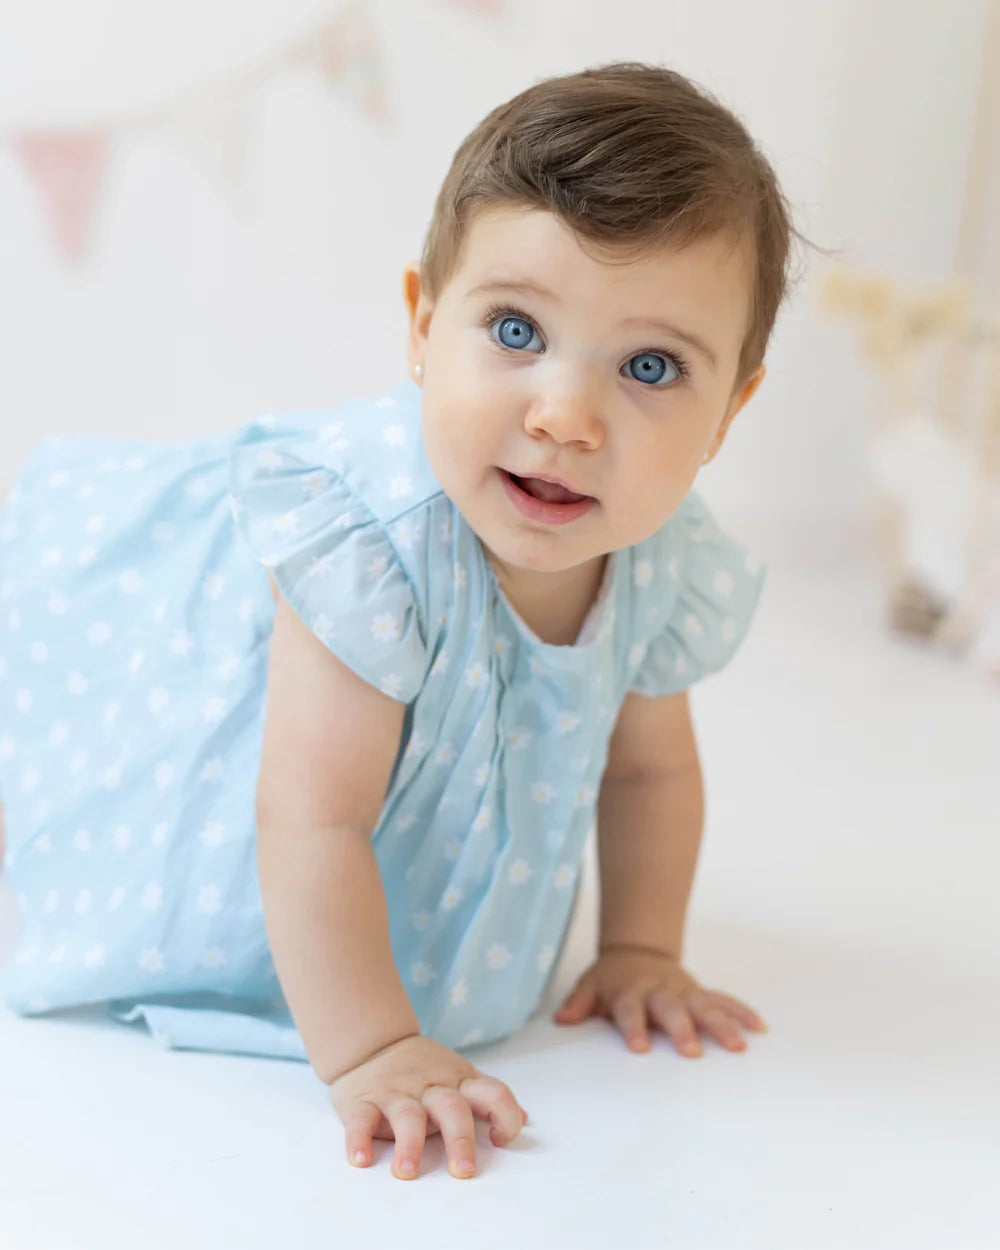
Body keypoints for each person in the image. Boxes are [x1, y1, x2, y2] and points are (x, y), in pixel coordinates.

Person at [0, 60, 806, 1181]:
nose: (565, 415)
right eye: (516, 330)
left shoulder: (659, 552)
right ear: (425, 321)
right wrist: (376, 1045)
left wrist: (638, 948)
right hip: (277, 817)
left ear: (732, 407)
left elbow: (648, 775)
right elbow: (311, 816)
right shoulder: (373, 540)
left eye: (652, 365)